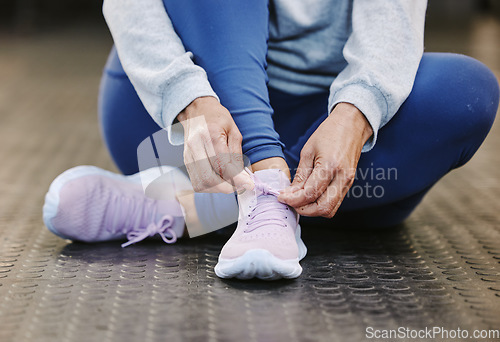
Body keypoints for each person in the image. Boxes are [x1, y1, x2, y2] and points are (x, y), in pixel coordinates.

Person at [43, 0, 499, 280]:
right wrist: (188, 98)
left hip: (326, 135)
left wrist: (356, 114)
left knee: (467, 91)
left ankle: (191, 207)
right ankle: (263, 187)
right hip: (189, 119)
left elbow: (394, 22)